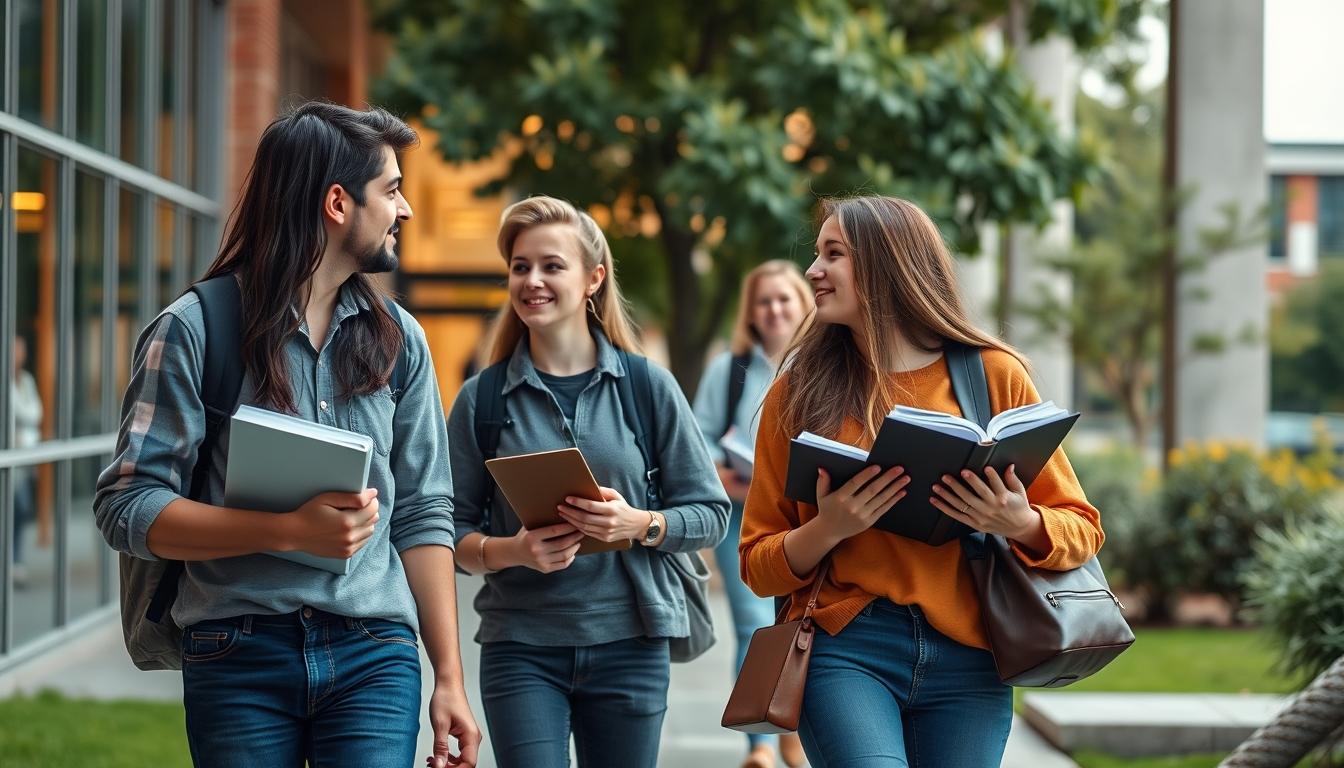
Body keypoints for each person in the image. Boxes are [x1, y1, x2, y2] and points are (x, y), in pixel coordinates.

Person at [93, 102, 480, 768]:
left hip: (375, 654)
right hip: (236, 652)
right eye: (391, 190)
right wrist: (285, 531)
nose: (406, 209)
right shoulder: (193, 330)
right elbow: (128, 506)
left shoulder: (401, 342)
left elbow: (422, 514)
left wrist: (449, 676)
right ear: (337, 203)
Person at [740, 196, 1103, 767]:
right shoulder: (797, 394)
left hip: (973, 656)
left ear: (889, 266)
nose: (813, 270)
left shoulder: (994, 374)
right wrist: (831, 527)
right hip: (847, 648)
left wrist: (1019, 522)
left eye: (833, 254)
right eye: (817, 254)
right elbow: (757, 562)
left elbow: (1081, 529)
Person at [446, 195, 730, 768]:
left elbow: (711, 514)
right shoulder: (482, 400)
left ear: (593, 278)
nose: (533, 281)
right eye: (521, 266)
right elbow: (446, 533)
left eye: (552, 265)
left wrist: (640, 523)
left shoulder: (647, 387)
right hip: (520, 647)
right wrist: (513, 551)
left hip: (631, 644)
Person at [691, 260, 812, 768]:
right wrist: (732, 476)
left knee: (807, 627)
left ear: (803, 303)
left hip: (810, 521)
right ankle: (760, 742)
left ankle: (794, 732)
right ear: (751, 311)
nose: (775, 309)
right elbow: (700, 442)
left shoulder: (821, 363)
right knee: (754, 626)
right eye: (764, 300)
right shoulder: (731, 368)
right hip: (744, 515)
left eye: (784, 298)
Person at [10, 335, 42, 586]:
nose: (17, 355)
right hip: (9, 458)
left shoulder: (27, 381)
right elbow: (22, 412)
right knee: (12, 510)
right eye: (13, 350)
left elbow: (35, 412)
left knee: (20, 511)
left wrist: (25, 419)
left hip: (25, 458)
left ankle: (16, 562)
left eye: (20, 350)